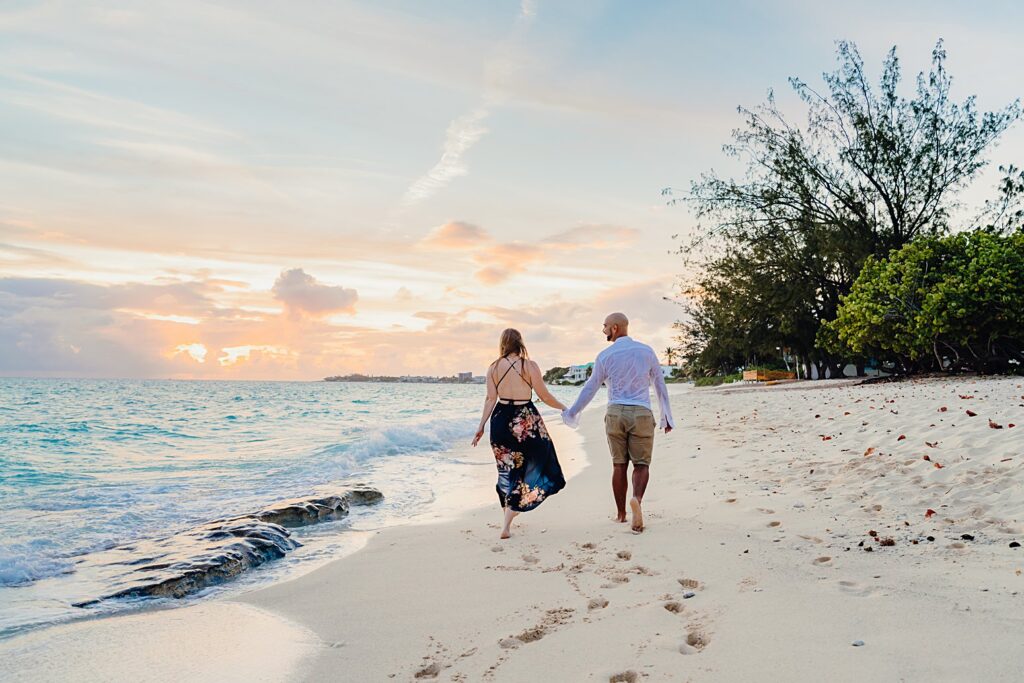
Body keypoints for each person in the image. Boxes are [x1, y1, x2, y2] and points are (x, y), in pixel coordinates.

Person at [562, 312, 674, 533]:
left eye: (604, 326)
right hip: (641, 412)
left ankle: (621, 514)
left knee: (618, 464)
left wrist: (572, 412)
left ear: (614, 328)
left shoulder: (605, 355)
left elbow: (591, 387)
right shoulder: (647, 351)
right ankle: (637, 500)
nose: (603, 331)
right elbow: (659, 385)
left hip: (615, 413)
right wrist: (666, 416)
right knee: (641, 464)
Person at [472, 328, 568, 539]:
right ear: (520, 343)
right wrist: (563, 408)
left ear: (503, 344)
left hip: (500, 420)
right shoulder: (529, 365)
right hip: (525, 420)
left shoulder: (494, 367)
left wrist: (481, 426)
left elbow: (490, 399)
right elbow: (544, 395)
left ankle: (508, 512)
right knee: (538, 459)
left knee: (507, 468)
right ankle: (507, 521)